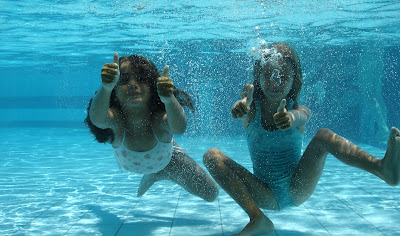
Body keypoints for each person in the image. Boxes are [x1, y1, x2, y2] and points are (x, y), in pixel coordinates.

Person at [203, 42, 400, 236]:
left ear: (294, 81)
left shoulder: (298, 110)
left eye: (283, 76)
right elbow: (243, 108)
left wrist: (289, 118)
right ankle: (258, 219)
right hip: (265, 193)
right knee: (211, 156)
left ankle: (381, 168)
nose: (275, 82)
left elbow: (301, 117)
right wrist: (240, 107)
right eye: (269, 75)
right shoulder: (251, 109)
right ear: (258, 77)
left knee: (323, 135)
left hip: (297, 187)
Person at [85, 53, 218, 202]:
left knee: (211, 194)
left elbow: (179, 127)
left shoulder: (158, 120)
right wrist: (106, 87)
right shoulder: (117, 120)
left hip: (170, 160)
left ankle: (161, 170)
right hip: (155, 158)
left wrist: (169, 99)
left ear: (153, 86)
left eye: (142, 79)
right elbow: (97, 119)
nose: (133, 84)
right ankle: (156, 173)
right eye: (124, 80)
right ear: (115, 91)